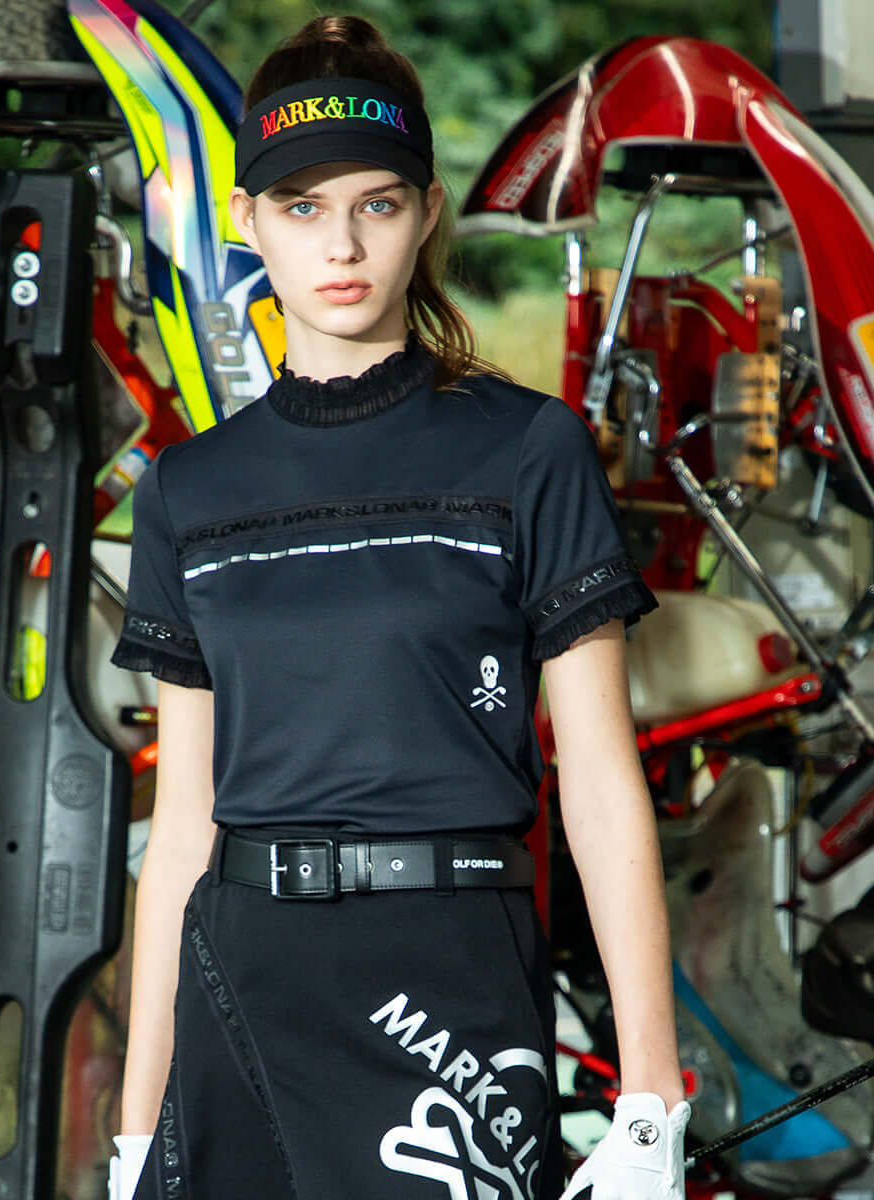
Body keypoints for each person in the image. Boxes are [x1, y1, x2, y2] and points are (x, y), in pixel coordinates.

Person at [108, 14, 690, 1200]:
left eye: (375, 205)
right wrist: (133, 1133)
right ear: (247, 220)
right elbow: (179, 837)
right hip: (243, 988)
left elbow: (597, 780)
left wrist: (648, 1097)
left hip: (448, 987)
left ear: (426, 214)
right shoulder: (188, 490)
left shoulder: (528, 450)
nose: (341, 244)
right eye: (302, 207)